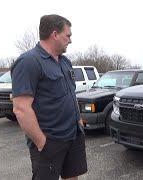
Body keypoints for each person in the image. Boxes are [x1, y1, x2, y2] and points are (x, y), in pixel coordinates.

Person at [11, 14, 87, 180]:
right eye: (68, 35)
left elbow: (71, 95)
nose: (70, 40)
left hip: (73, 134)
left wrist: (78, 121)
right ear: (54, 34)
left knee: (72, 176)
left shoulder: (65, 62)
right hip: (49, 141)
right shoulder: (29, 62)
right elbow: (21, 108)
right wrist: (41, 141)